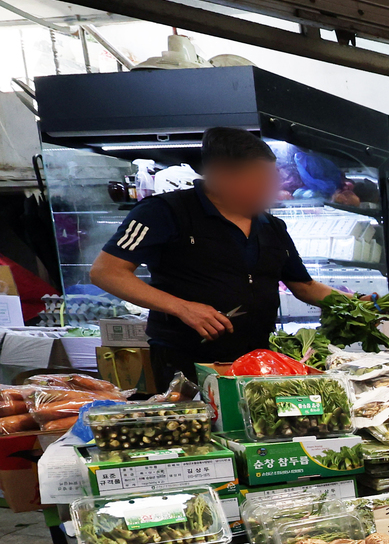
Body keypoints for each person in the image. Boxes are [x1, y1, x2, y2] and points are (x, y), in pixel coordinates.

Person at [89, 127, 345, 384]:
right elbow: (106, 272)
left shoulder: (272, 226)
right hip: (185, 359)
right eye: (258, 181)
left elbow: (305, 286)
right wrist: (183, 308)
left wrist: (360, 303)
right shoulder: (164, 211)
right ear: (221, 176)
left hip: (257, 359)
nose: (270, 190)